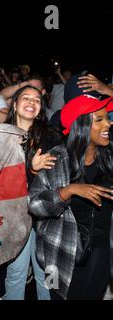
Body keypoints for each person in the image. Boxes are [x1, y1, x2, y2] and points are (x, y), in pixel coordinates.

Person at [29, 94, 113, 300]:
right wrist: (69, 190)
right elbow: (34, 204)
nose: (109, 123)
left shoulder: (109, 157)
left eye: (107, 117)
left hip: (100, 248)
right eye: (100, 119)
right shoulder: (55, 159)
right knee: (57, 296)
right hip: (56, 252)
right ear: (81, 125)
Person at [2, 85, 62, 300]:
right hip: (15, 217)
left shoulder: (52, 137)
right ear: (15, 104)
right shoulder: (0, 136)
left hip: (46, 218)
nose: (31, 102)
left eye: (36, 99)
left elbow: (57, 180)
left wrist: (37, 172)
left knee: (48, 275)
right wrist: (31, 169)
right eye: (25, 98)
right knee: (16, 273)